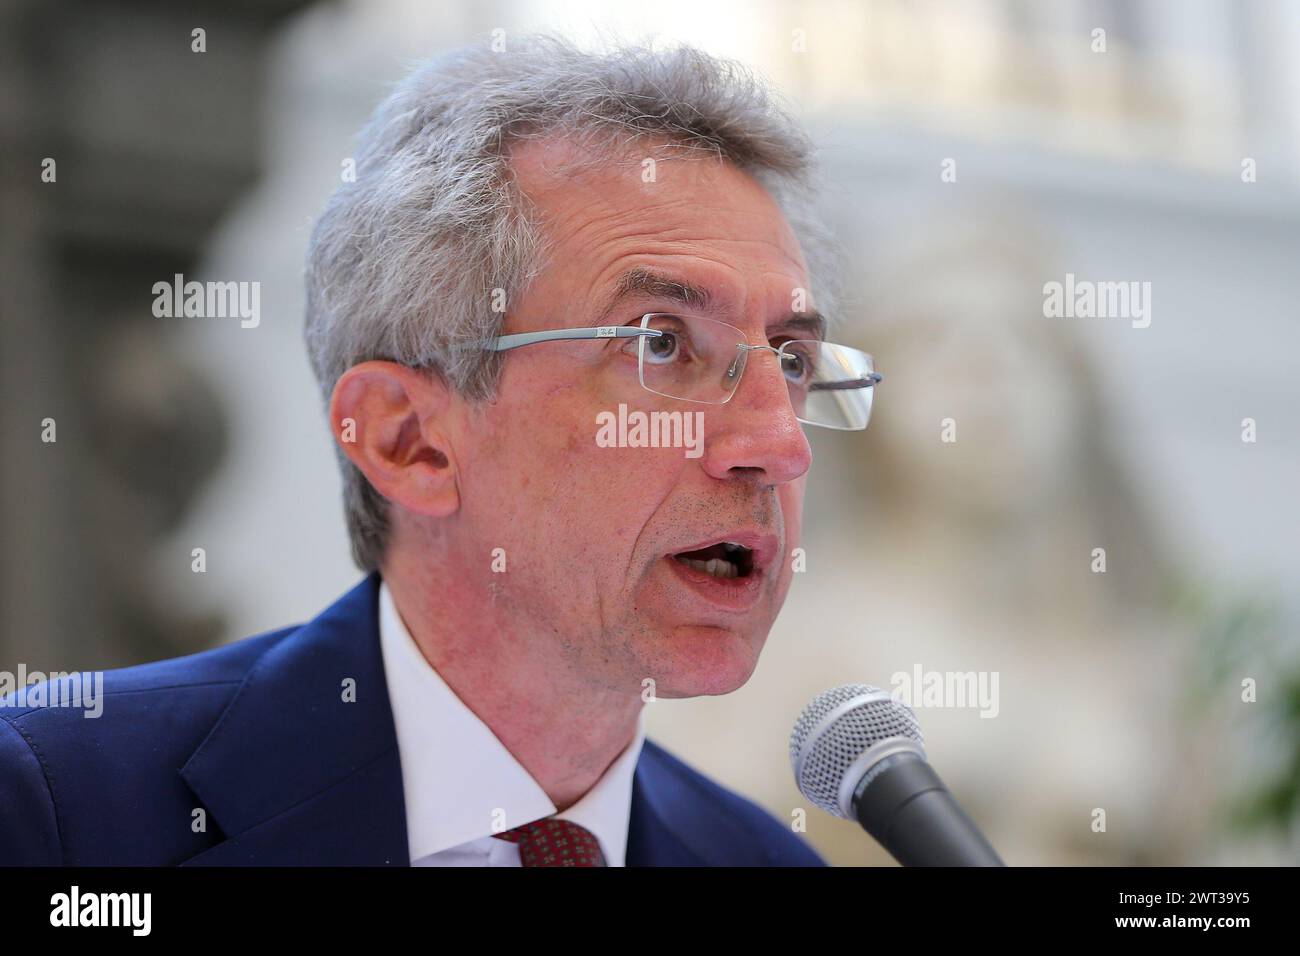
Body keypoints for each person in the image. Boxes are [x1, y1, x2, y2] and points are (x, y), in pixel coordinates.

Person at [0, 34, 882, 866]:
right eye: (660, 342)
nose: (777, 444)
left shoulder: (762, 859)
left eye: (793, 360)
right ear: (409, 440)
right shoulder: (63, 807)